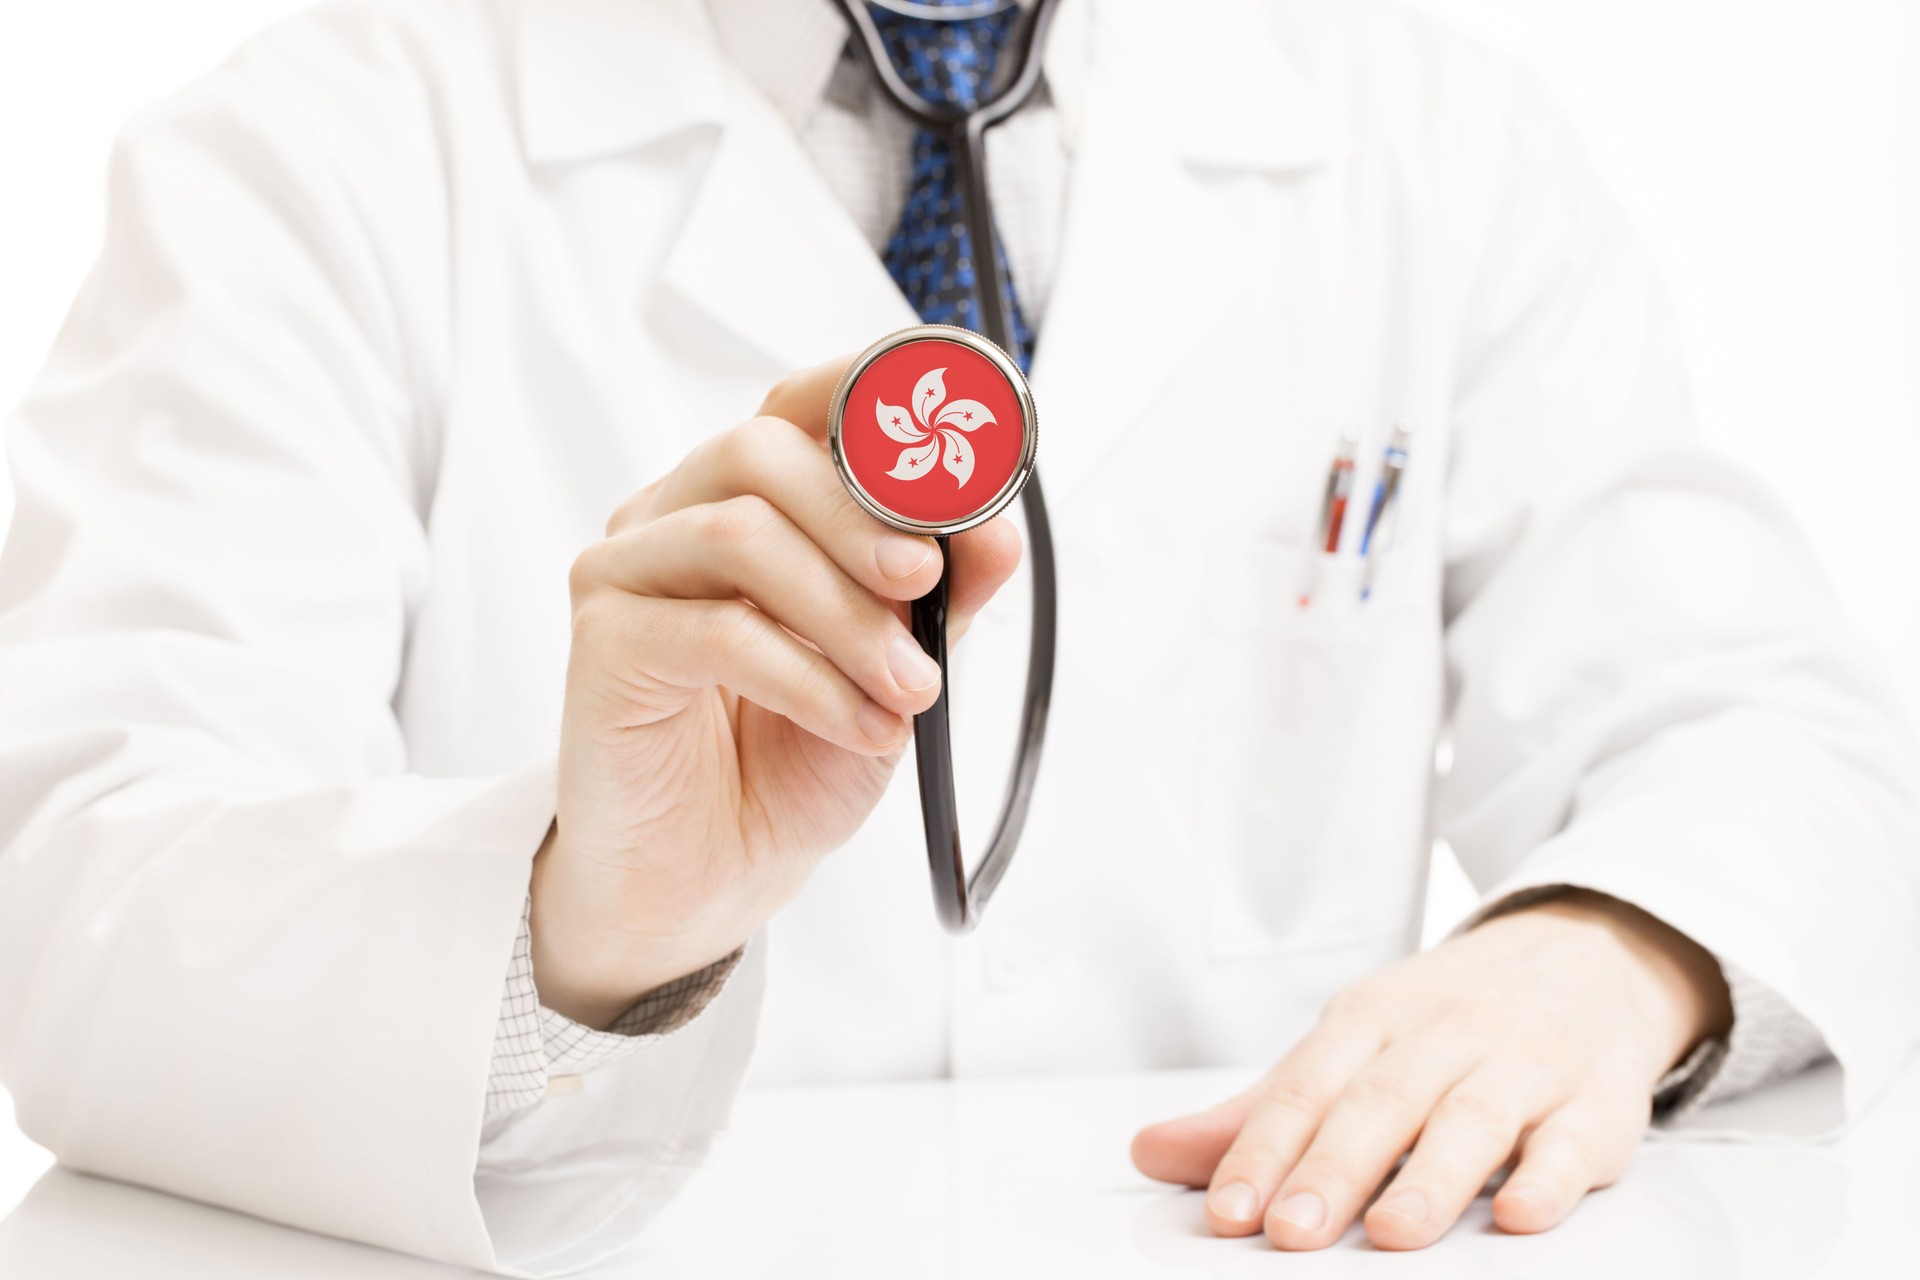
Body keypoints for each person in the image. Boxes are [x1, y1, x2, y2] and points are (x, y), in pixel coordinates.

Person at [0, 0, 1914, 1272]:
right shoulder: (315, 152)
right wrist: (578, 926)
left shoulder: (1424, 128)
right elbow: (81, 900)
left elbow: (1766, 728)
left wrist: (1601, 951)